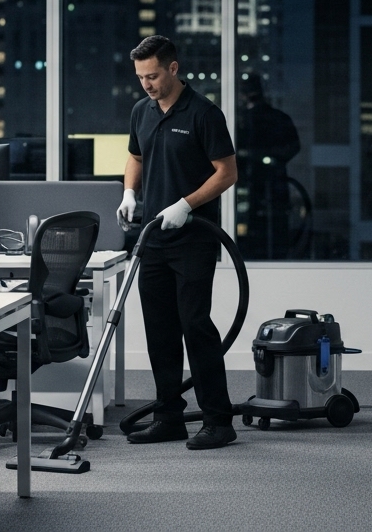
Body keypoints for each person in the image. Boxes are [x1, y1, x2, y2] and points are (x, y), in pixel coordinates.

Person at [116, 36, 240, 450]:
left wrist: (186, 204)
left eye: (152, 75)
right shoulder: (141, 111)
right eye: (140, 78)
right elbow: (136, 156)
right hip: (153, 239)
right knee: (160, 331)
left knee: (195, 327)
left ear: (172, 68)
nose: (146, 84)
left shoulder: (204, 113)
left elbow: (226, 173)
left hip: (193, 238)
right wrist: (128, 192)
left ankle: (218, 421)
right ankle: (169, 417)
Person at [235, 74, 301, 260]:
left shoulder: (268, 118)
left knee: (272, 228)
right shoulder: (240, 120)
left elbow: (292, 146)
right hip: (249, 183)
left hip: (268, 183)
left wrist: (268, 158)